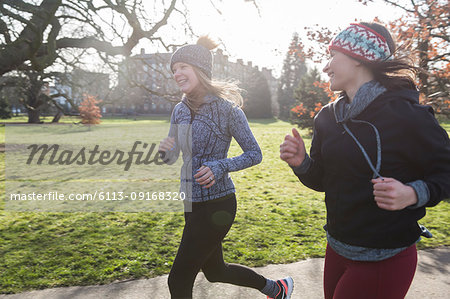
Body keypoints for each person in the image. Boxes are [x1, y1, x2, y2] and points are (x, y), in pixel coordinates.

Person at [280, 22, 450, 299]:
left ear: (360, 57)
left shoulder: (409, 116)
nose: (325, 67)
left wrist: (412, 193)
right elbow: (323, 181)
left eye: (333, 55)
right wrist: (302, 164)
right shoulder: (327, 117)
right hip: (336, 248)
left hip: (385, 258)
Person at [159, 36, 294, 299]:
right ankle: (277, 289)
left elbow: (255, 154)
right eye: (174, 69)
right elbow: (173, 156)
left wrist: (220, 166)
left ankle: (278, 290)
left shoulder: (228, 111)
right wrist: (165, 151)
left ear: (200, 70)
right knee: (216, 271)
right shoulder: (179, 110)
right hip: (192, 203)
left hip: (218, 204)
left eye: (183, 67)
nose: (177, 73)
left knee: (178, 279)